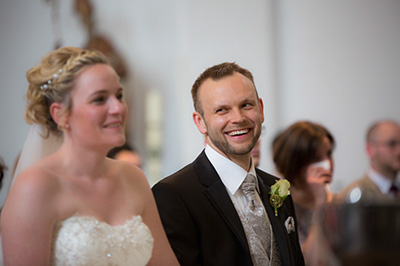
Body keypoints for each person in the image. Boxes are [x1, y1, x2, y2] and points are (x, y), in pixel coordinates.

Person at [0, 47, 179, 266]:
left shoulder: (133, 177)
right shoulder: (36, 186)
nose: (118, 108)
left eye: (119, 95)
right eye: (99, 99)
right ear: (61, 114)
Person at [152, 62, 304, 266]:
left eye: (246, 105)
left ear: (261, 109)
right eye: (222, 110)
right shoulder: (174, 195)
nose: (238, 118)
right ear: (200, 122)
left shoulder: (277, 187)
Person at [272, 121, 337, 266]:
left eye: (328, 154)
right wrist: (319, 204)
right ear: (294, 163)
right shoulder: (279, 209)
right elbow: (311, 262)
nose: (328, 165)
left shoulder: (337, 202)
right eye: (316, 159)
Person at [341, 120, 400, 202]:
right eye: (391, 144)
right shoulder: (354, 195)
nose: (398, 151)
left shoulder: (396, 191)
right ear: (370, 149)